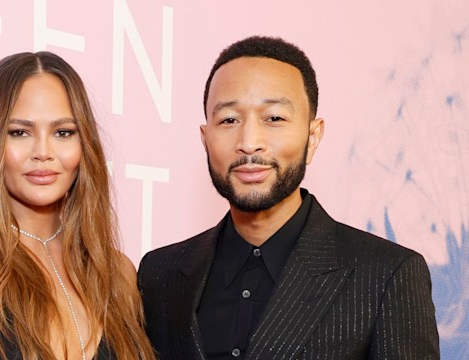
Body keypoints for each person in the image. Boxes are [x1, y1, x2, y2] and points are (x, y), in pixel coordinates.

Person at [137, 36, 440, 359]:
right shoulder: (160, 273)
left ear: (313, 137)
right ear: (205, 138)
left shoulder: (385, 275)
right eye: (229, 120)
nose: (249, 142)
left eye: (274, 118)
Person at [0, 51, 156, 360]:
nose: (43, 151)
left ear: (84, 145)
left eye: (62, 132)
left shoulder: (118, 273)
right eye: (19, 132)